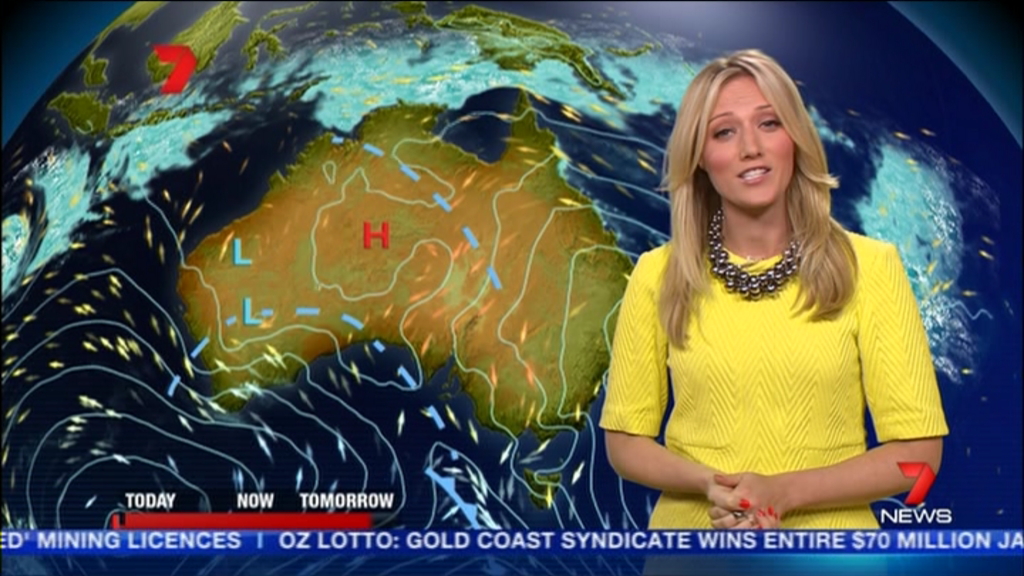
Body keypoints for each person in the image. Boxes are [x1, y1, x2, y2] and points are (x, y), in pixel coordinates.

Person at [599, 48, 949, 531]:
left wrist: (783, 493)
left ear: (795, 138)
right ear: (699, 158)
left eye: (769, 124)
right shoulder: (658, 274)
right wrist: (712, 485)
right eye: (724, 132)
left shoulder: (871, 268)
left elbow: (919, 456)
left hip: (830, 555)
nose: (751, 148)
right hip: (696, 546)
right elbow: (624, 443)